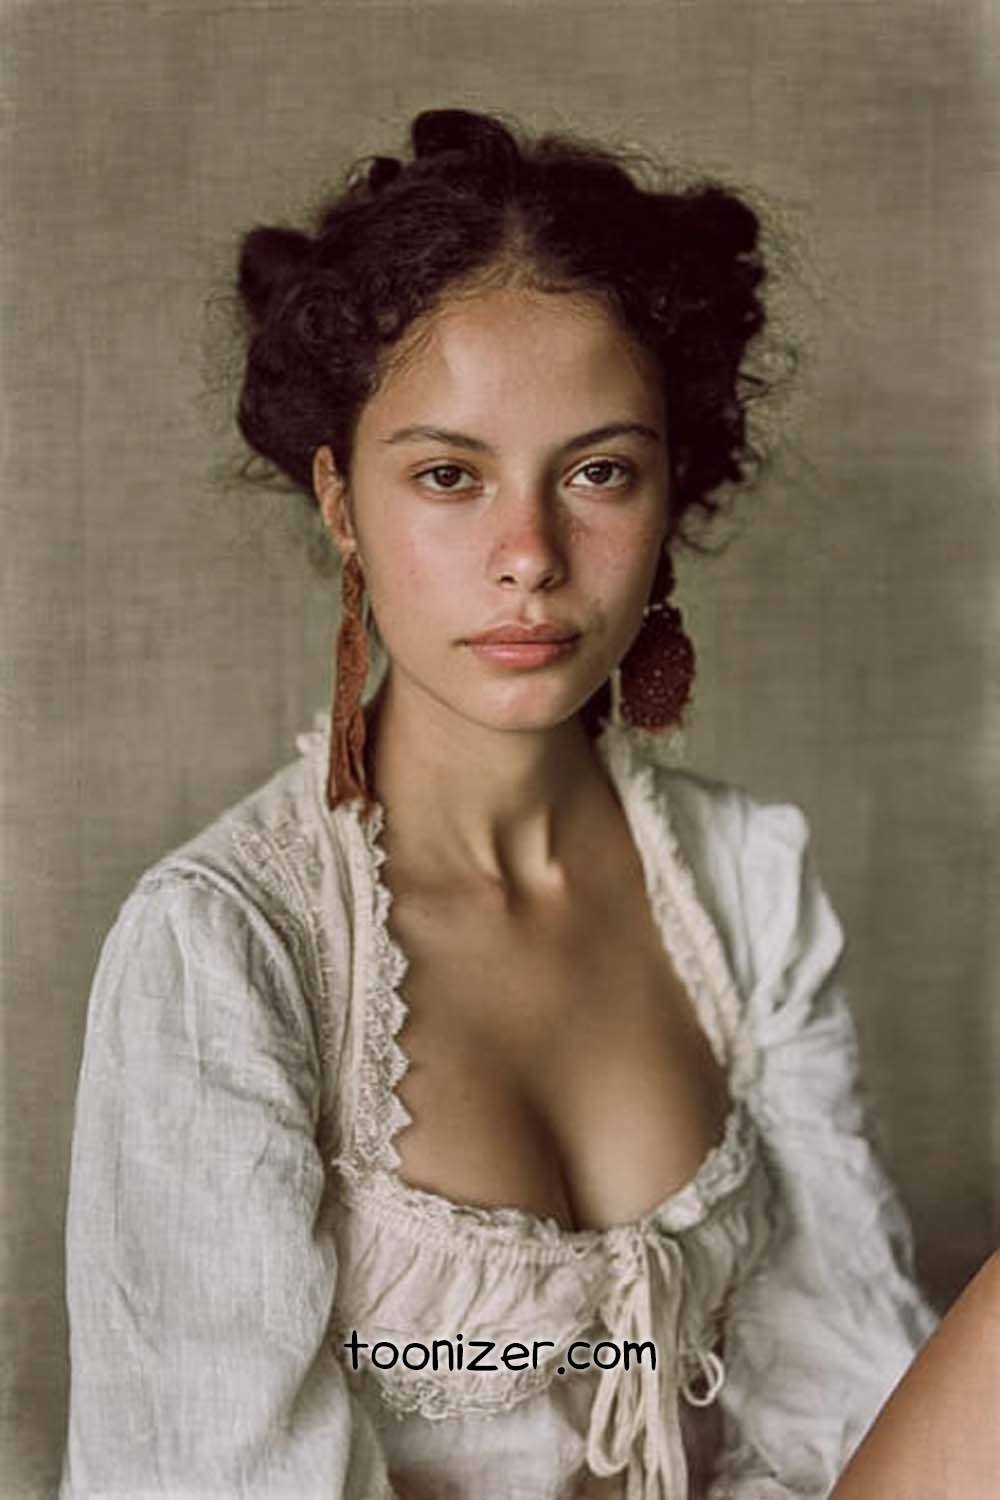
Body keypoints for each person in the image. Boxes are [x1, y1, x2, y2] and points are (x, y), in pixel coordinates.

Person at [59, 106, 957, 1500]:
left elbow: (848, 1403)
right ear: (341, 503)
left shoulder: (747, 881)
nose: (529, 555)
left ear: (669, 496)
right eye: (448, 476)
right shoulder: (227, 946)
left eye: (599, 472)